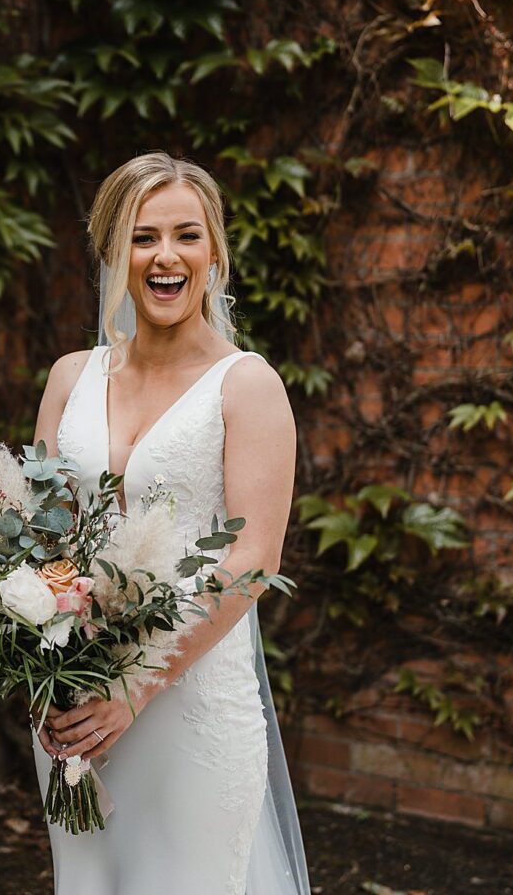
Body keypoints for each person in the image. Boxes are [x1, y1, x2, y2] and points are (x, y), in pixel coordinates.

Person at [29, 152, 311, 894]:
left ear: (214, 252)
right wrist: (38, 662)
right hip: (77, 704)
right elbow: (37, 537)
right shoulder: (69, 377)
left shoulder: (246, 386)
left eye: (186, 235)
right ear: (112, 253)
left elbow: (253, 555)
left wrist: (138, 688)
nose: (165, 256)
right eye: (142, 237)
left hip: (191, 705)